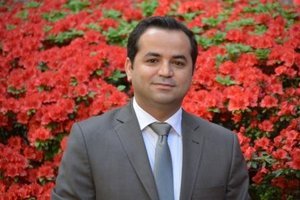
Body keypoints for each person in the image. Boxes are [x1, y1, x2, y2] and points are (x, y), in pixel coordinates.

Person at [52, 16, 250, 200]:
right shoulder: (89, 140)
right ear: (129, 68)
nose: (165, 72)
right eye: (153, 60)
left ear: (192, 72)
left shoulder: (223, 146)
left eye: (178, 63)